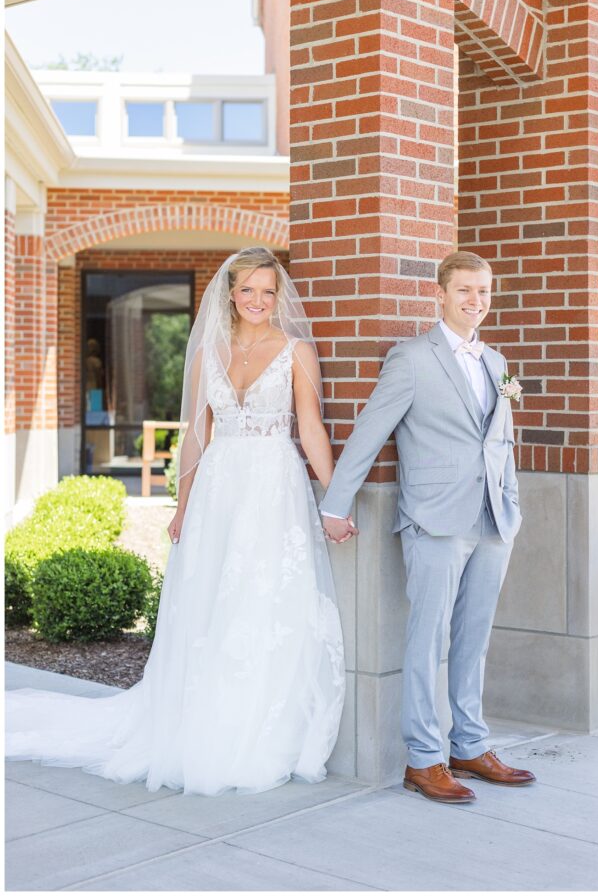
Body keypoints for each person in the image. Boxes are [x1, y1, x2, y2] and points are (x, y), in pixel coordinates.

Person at [6, 247, 346, 796]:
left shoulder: (296, 350)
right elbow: (195, 434)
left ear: (277, 296)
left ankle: (255, 726)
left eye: (267, 290)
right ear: (230, 295)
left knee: (264, 599)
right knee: (211, 603)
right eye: (247, 290)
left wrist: (336, 502)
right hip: (217, 490)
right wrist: (183, 507)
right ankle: (200, 722)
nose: (258, 300)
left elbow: (310, 429)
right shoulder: (208, 351)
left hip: (272, 487)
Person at [321, 250, 535, 803]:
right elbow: (371, 430)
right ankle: (424, 757)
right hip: (436, 518)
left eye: (484, 291)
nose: (476, 301)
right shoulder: (412, 357)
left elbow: (503, 442)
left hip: (493, 519)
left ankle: (469, 742)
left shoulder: (497, 362)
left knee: (474, 639)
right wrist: (335, 504)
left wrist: (511, 498)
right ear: (440, 294)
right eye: (465, 290)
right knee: (428, 638)